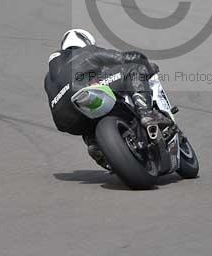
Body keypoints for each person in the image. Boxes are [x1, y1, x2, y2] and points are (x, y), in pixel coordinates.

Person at [43, 28, 168, 169]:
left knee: (84, 117)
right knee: (134, 69)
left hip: (64, 120)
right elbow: (123, 58)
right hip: (84, 92)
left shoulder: (49, 77)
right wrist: (145, 64)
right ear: (86, 42)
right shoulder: (87, 51)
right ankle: (147, 113)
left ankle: (93, 142)